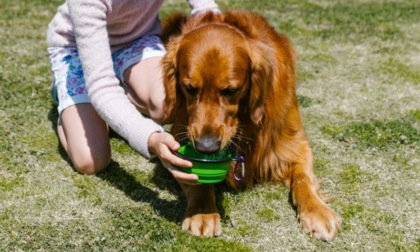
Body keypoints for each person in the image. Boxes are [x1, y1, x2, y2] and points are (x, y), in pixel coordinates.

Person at [47, 0, 220, 185]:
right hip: (78, 49)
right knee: (90, 161)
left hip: (137, 39)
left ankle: (115, 102)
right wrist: (150, 138)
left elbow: (205, 9)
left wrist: (214, 21)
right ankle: (66, 97)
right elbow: (101, 85)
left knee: (166, 105)